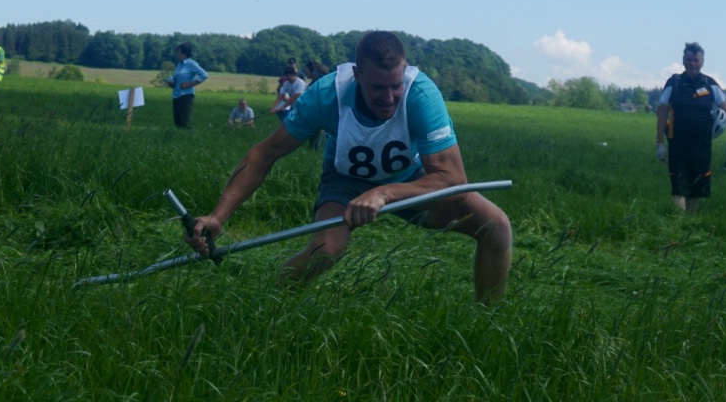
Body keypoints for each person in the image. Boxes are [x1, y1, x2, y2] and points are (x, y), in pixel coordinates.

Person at [187, 31, 512, 305]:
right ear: (357, 76)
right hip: (345, 179)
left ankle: (486, 323)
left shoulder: (422, 95)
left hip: (408, 181)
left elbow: (453, 180)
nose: (389, 97)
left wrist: (384, 193)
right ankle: (264, 303)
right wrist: (218, 216)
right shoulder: (326, 94)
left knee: (495, 226)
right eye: (378, 88)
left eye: (395, 86)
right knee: (326, 250)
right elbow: (265, 153)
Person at [654, 42, 726, 213]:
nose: (693, 63)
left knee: (696, 189)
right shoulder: (674, 83)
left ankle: (690, 223)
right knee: (678, 187)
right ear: (683, 61)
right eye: (689, 60)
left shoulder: (709, 83)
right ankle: (677, 223)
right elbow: (662, 114)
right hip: (677, 144)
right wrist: (660, 144)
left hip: (702, 146)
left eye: (696, 60)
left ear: (702, 62)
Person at [163, 44, 208, 128]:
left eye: (178, 51)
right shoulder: (179, 65)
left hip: (186, 96)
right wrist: (172, 82)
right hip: (176, 95)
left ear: (184, 53)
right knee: (177, 123)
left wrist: (189, 84)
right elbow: (176, 78)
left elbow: (204, 75)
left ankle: (189, 136)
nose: (176, 53)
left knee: (185, 122)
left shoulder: (191, 63)